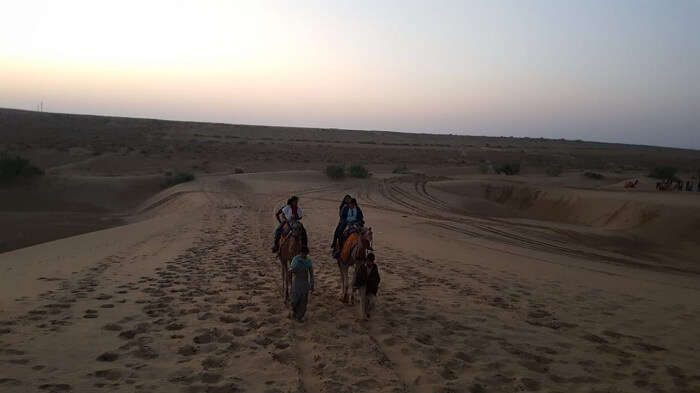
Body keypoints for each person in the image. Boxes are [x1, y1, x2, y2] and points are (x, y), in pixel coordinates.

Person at [289, 246, 314, 322]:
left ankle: (299, 316)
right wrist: (291, 270)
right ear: (300, 253)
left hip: (304, 282)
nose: (304, 255)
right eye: (303, 253)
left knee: (303, 301)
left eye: (305, 254)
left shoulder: (308, 261)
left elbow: (311, 273)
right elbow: (292, 269)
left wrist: (312, 284)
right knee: (294, 300)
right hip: (296, 282)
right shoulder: (295, 259)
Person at [353, 253, 380, 320]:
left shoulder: (375, 268)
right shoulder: (362, 267)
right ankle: (363, 316)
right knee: (363, 300)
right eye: (368, 261)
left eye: (371, 261)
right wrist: (355, 286)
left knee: (372, 302)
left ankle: (367, 311)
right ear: (366, 260)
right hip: (362, 286)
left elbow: (378, 279)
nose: (369, 262)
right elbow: (358, 277)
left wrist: (372, 284)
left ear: (373, 261)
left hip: (371, 288)